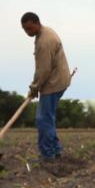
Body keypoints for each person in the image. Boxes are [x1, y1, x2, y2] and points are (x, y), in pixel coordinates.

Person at [20, 12, 72, 168]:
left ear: (37, 23)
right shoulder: (46, 32)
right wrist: (36, 88)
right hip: (57, 80)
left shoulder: (44, 41)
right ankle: (55, 151)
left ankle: (48, 155)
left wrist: (34, 88)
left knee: (43, 119)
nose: (27, 32)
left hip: (53, 83)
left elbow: (43, 70)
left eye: (29, 28)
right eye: (24, 29)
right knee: (48, 118)